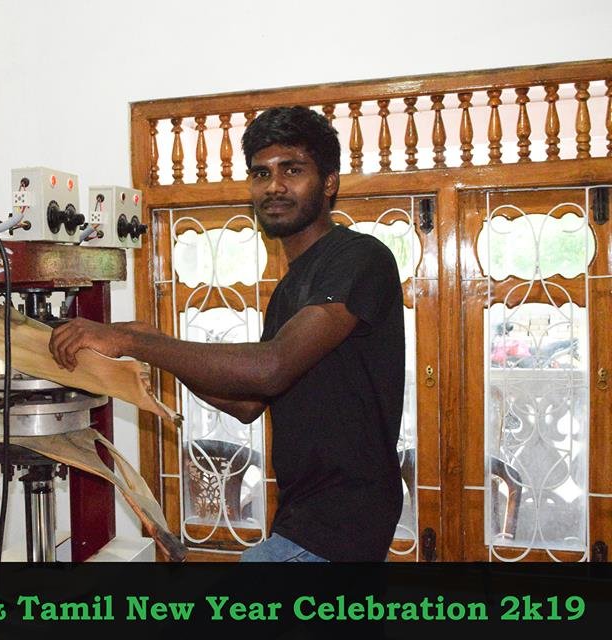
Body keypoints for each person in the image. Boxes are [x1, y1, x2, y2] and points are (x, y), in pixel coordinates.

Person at [49, 106, 404, 562]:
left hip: (340, 526)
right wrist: (152, 346)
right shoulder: (292, 288)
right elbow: (247, 403)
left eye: (292, 170)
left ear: (329, 182)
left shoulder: (360, 258)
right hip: (308, 520)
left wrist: (134, 340)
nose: (274, 186)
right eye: (261, 173)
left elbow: (271, 368)